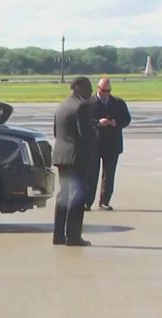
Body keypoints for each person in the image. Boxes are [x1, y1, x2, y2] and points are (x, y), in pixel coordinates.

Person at [52, 76, 95, 247]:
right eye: (88, 87)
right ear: (78, 88)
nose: (91, 91)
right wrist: (96, 133)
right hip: (77, 157)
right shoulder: (82, 106)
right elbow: (86, 134)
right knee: (77, 196)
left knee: (64, 195)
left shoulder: (62, 105)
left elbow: (56, 131)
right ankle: (73, 236)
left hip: (61, 156)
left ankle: (58, 235)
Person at [85, 77, 131, 211]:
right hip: (94, 144)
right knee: (91, 174)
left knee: (109, 174)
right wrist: (98, 122)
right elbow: (84, 121)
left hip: (112, 144)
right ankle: (87, 202)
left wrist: (117, 123)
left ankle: (104, 201)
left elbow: (127, 119)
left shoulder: (118, 103)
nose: (106, 94)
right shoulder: (88, 103)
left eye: (108, 91)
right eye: (104, 91)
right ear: (98, 89)